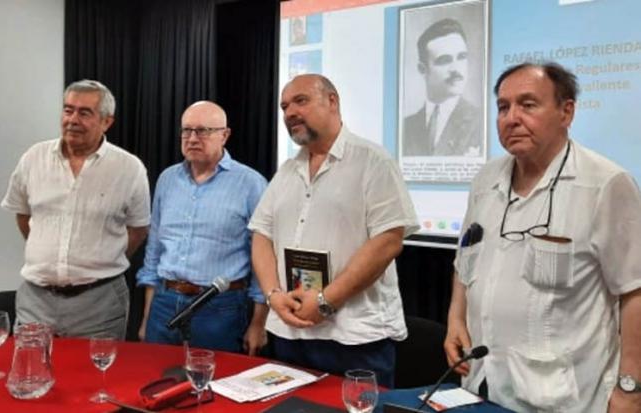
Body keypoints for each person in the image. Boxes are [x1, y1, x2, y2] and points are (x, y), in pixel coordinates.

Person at [444, 62, 641, 412]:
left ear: (567, 112)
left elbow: (635, 291)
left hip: (564, 396)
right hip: (483, 381)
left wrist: (630, 389)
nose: (511, 118)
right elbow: (466, 257)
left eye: (528, 104)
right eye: (503, 107)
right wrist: (455, 318)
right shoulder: (485, 180)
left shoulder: (605, 184)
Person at [249, 74, 419, 387]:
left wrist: (327, 300)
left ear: (332, 101)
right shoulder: (287, 171)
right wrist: (273, 295)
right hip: (290, 331)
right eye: (284, 106)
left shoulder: (373, 161)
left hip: (355, 339)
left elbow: (388, 242)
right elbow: (262, 235)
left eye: (301, 101)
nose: (289, 113)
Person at [1, 79, 151, 340]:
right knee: (31, 375)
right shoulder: (33, 158)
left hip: (99, 303)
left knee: (95, 377)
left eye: (84, 113)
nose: (72, 119)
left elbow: (138, 229)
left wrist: (100, 258)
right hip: (36, 299)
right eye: (68, 110)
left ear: (107, 122)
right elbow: (23, 215)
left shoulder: (129, 169)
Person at [136, 101, 268, 355]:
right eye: (187, 131)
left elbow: (262, 258)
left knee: (215, 385)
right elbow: (153, 250)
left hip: (220, 307)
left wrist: (258, 324)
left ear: (224, 135)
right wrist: (146, 317)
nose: (192, 138)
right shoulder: (167, 179)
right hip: (164, 302)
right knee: (156, 377)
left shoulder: (251, 183)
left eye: (203, 131)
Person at [402, 18, 481, 157]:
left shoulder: (480, 122)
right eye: (444, 60)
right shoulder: (406, 127)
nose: (456, 69)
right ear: (422, 69)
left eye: (462, 57)